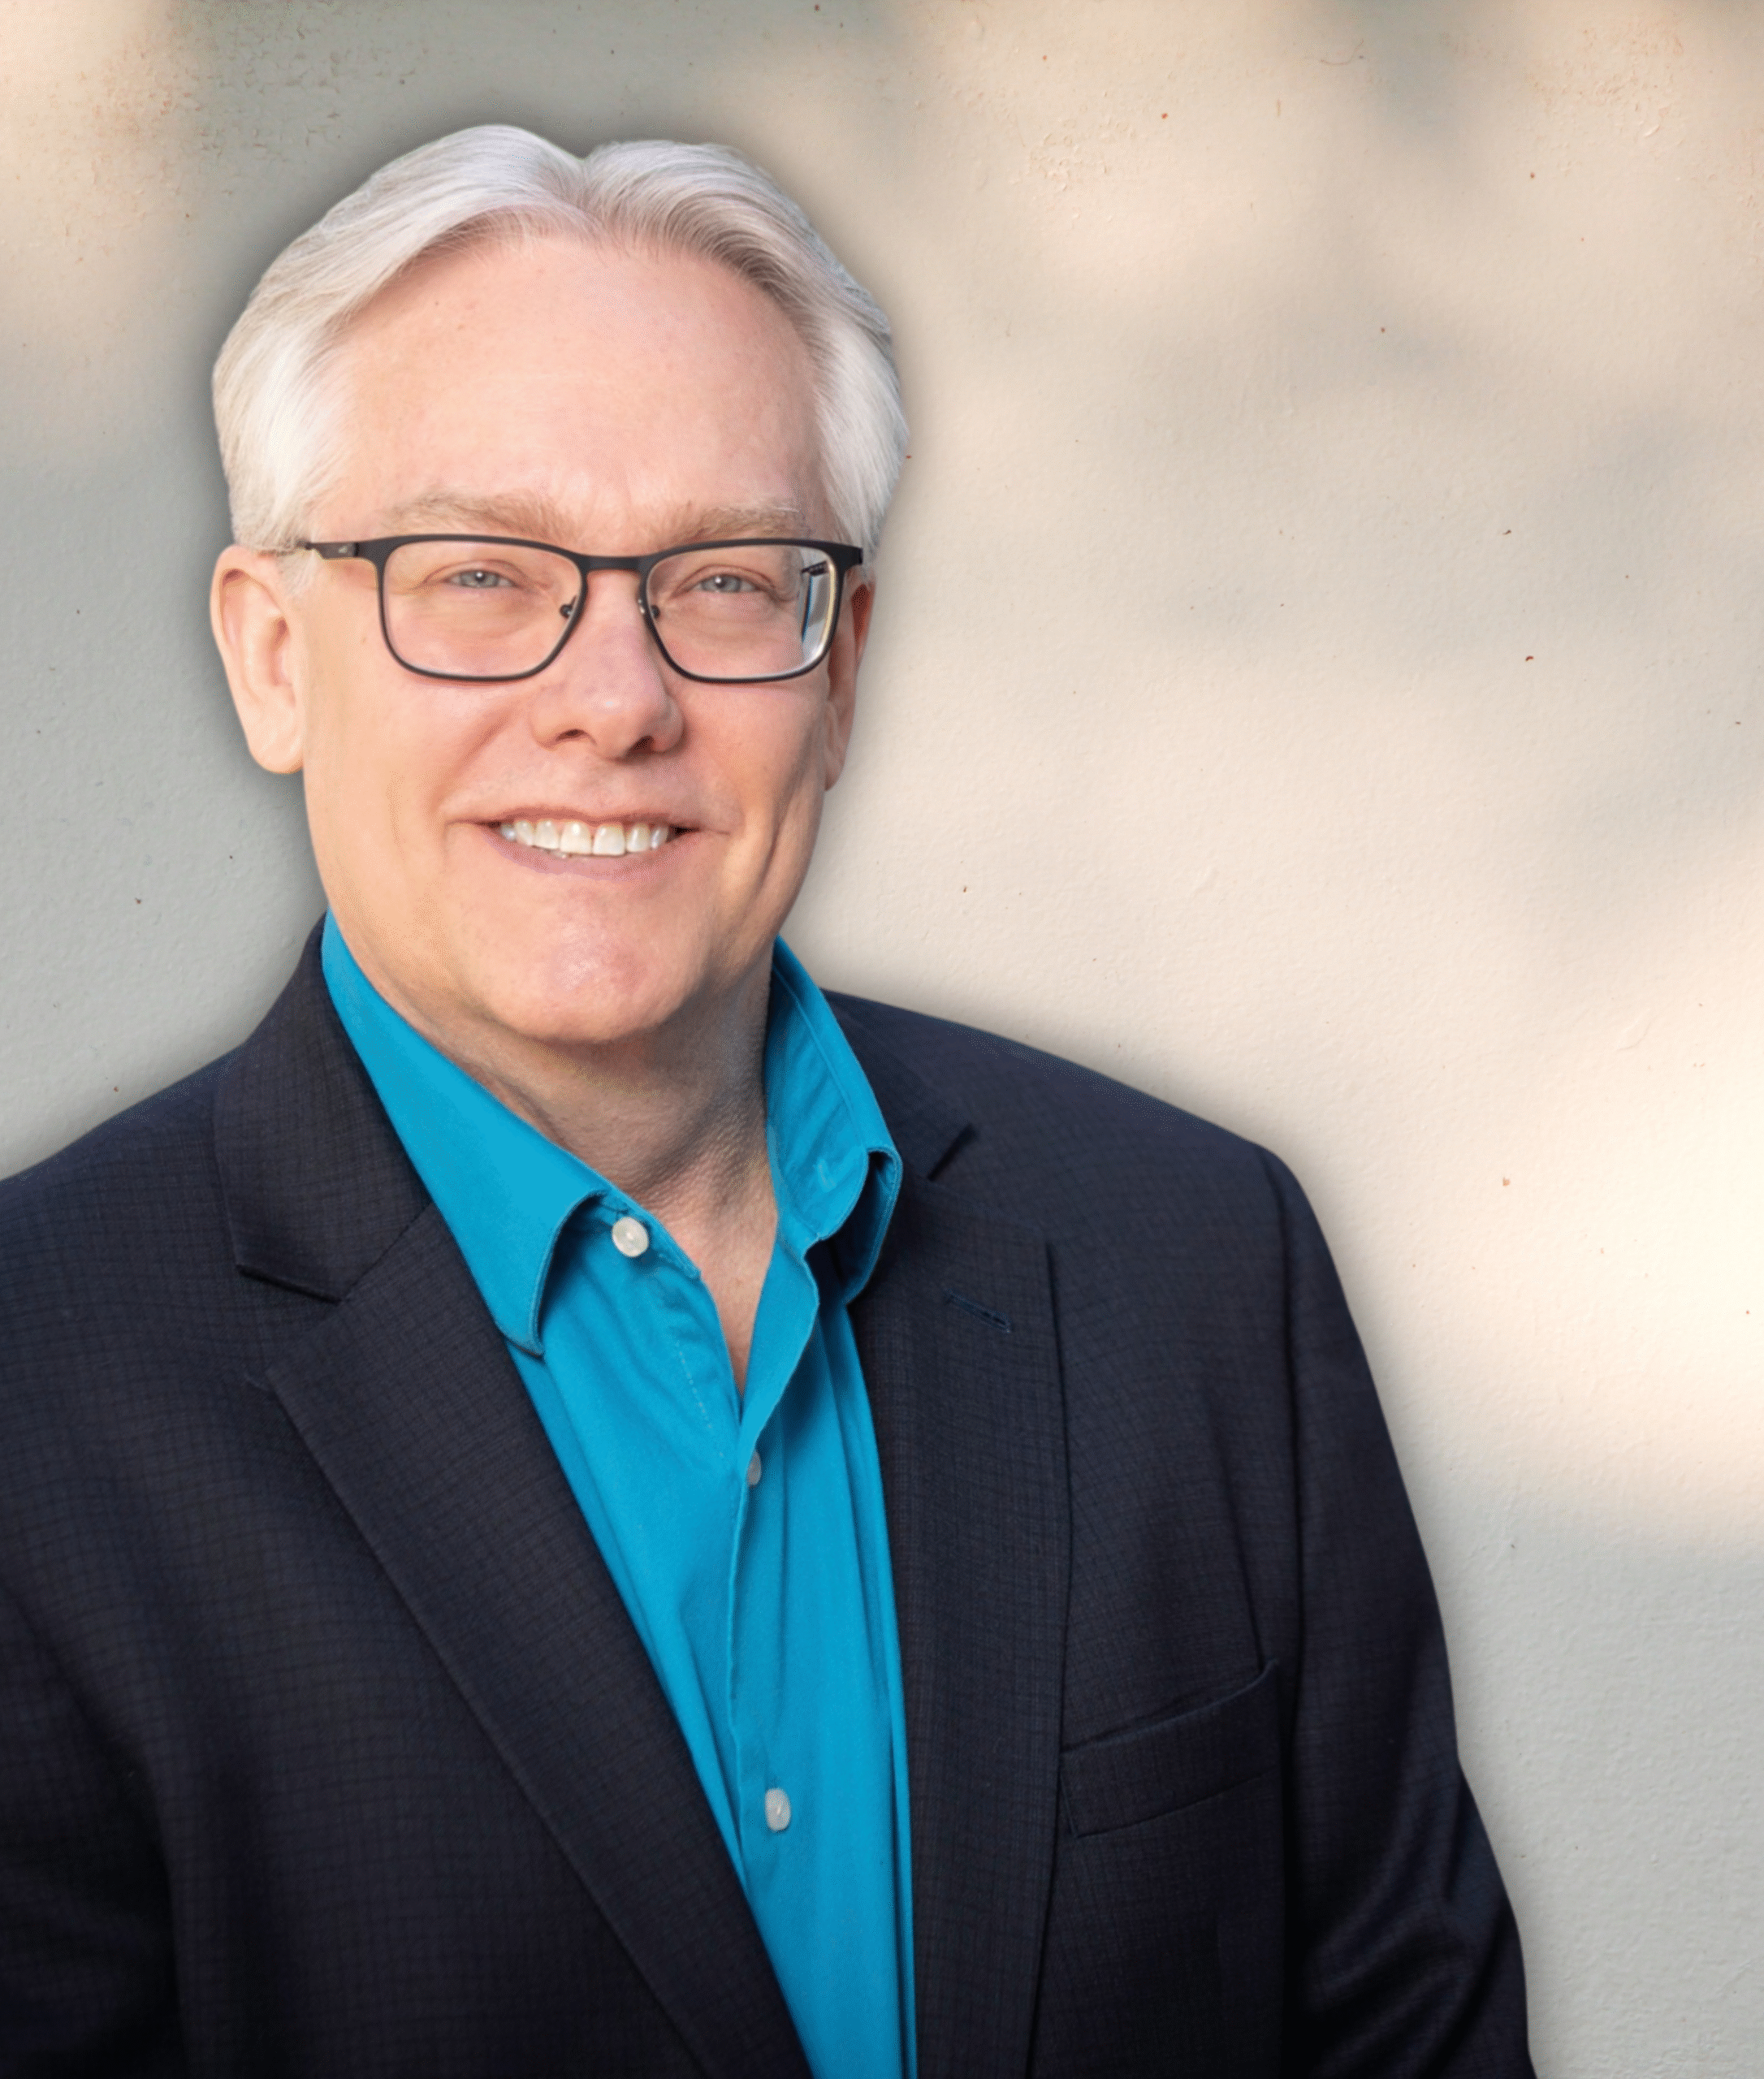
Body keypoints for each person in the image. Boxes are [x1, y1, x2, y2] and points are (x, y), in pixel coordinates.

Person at [0, 125, 1532, 2077]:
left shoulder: (1196, 1262)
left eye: (725, 580)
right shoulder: (32, 1385)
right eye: (477, 573)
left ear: (843, 668)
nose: (615, 696)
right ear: (273, 654)